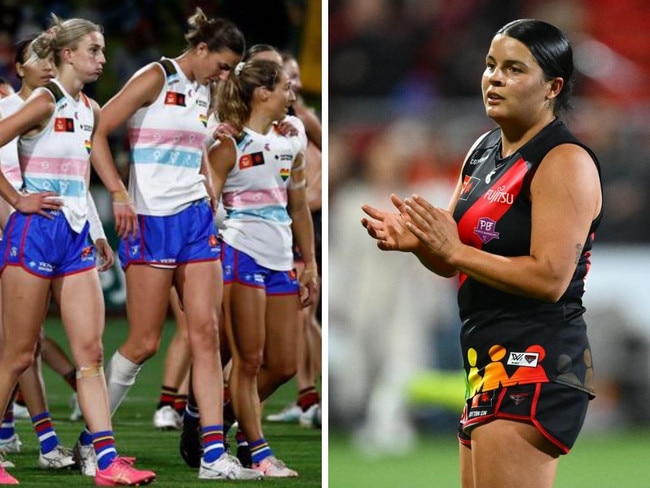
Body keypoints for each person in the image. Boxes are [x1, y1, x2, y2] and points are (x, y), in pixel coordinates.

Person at [361, 19, 602, 487]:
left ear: (553, 86)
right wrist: (421, 244)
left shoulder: (563, 161)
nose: (494, 78)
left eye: (514, 69)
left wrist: (450, 249)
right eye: (491, 66)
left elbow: (550, 279)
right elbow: (453, 253)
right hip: (487, 359)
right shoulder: (483, 151)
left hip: (535, 359)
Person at [87, 7, 261, 481]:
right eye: (222, 65)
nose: (225, 76)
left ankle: (212, 456)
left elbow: (187, 147)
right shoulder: (156, 76)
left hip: (194, 220)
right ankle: (91, 439)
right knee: (144, 341)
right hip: (150, 221)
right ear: (201, 49)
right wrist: (119, 194)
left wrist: (208, 161)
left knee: (206, 335)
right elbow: (98, 131)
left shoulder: (205, 91)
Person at [0, 16, 156, 486]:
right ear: (67, 54)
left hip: (73, 238)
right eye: (94, 51)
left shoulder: (89, 108)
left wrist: (97, 232)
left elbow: (77, 178)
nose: (102, 60)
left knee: (90, 352)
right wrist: (16, 198)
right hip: (33, 233)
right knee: (18, 355)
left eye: (103, 51)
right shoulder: (44, 102)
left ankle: (106, 464)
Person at [206, 58, 319, 477]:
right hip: (241, 254)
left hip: (280, 259)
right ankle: (258, 451)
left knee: (285, 365)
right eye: (287, 88)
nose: (293, 96)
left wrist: (310, 264)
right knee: (249, 360)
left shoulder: (291, 142)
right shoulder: (229, 144)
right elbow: (209, 202)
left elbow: (299, 208)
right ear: (262, 93)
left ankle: (215, 417)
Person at [266, 51, 322, 428]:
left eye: (297, 77)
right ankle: (308, 397)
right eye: (290, 77)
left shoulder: (303, 121)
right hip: (279, 225)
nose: (297, 84)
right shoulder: (272, 124)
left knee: (303, 316)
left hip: (306, 221)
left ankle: (312, 398)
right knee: (303, 318)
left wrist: (315, 194)